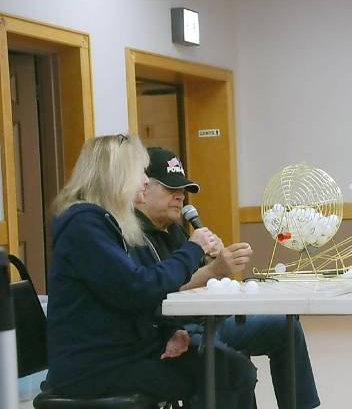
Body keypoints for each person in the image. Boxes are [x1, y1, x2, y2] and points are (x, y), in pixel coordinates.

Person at [46, 134, 226, 406]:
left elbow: (124, 296)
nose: (144, 180)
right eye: (139, 172)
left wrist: (166, 333)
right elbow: (137, 288)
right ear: (116, 176)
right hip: (92, 368)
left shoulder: (102, 221)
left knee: (224, 367)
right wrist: (192, 249)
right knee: (222, 373)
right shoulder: (84, 224)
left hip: (118, 355)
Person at [135, 146, 320, 409]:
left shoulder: (174, 229)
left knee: (285, 327)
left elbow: (193, 276)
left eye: (182, 190)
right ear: (143, 189)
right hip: (175, 330)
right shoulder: (133, 235)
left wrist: (211, 261)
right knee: (233, 366)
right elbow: (161, 286)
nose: (180, 197)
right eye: (170, 189)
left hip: (208, 320)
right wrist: (213, 270)